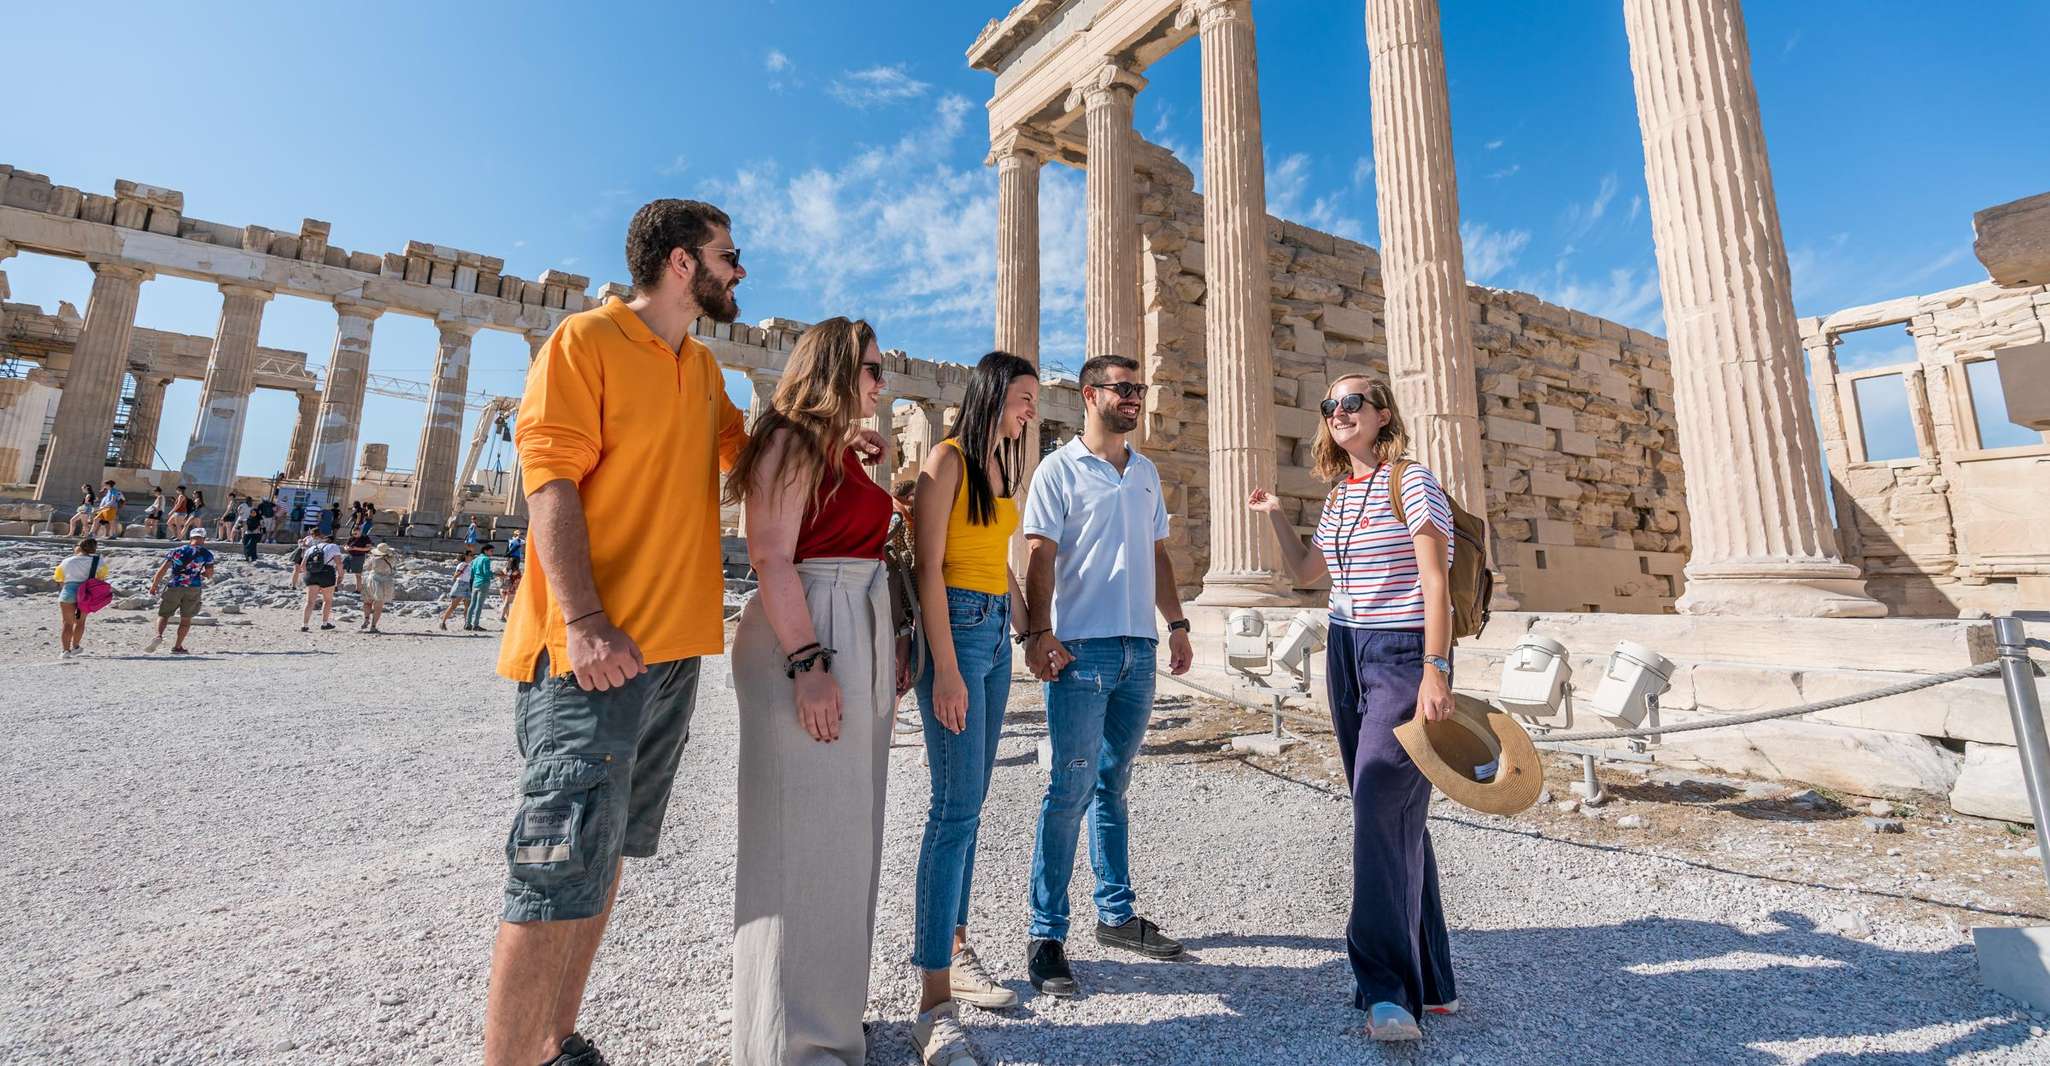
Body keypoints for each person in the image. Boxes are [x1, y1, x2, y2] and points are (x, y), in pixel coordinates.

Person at [484, 197, 766, 1066]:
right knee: (552, 871)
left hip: (670, 654)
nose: (740, 270)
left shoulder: (702, 367)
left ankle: (553, 1042)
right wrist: (584, 621)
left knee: (600, 858)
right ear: (683, 263)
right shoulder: (585, 341)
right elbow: (549, 483)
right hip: (590, 655)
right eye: (729, 255)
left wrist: (838, 445)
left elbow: (749, 459)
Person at [1246, 374, 1459, 1042]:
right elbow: (1306, 574)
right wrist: (1275, 514)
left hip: (1401, 652)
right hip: (1344, 649)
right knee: (1393, 813)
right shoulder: (1340, 494)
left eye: (1352, 402)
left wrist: (1436, 669)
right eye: (1329, 406)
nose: (1338, 412)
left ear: (1382, 414)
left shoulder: (1412, 481)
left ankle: (1386, 990)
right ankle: (1434, 979)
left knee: (1377, 803)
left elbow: (1436, 582)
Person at [727, 316, 906, 1066]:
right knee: (802, 838)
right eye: (871, 369)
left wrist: (867, 457)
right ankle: (790, 1044)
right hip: (812, 631)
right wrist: (809, 663)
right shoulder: (788, 441)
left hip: (851, 623)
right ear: (833, 368)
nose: (881, 383)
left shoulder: (834, 450)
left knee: (847, 834)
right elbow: (772, 557)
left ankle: (831, 1023)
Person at [1017, 354, 1196, 999]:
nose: (1135, 398)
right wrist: (1039, 634)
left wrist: (1176, 623)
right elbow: (1040, 555)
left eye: (1139, 388)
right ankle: (1046, 933)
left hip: (1138, 650)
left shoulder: (1145, 472)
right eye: (1124, 389)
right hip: (1081, 650)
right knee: (1068, 789)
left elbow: (1157, 554)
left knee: (1114, 786)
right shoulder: (1057, 470)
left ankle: (1116, 915)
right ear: (1090, 395)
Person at [904, 351, 1039, 1061]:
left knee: (972, 804)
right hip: (955, 631)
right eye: (1023, 397)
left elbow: (999, 565)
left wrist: (1032, 631)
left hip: (993, 631)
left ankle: (956, 950)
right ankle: (932, 1002)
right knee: (952, 809)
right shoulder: (947, 461)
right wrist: (946, 670)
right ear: (992, 394)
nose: (1031, 411)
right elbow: (928, 569)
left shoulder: (999, 467)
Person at [146, 527, 217, 655]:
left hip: (174, 586)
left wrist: (154, 586)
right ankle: (177, 646)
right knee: (186, 619)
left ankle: (158, 636)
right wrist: (203, 574)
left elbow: (162, 569)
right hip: (193, 588)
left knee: (164, 614)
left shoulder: (177, 550)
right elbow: (209, 573)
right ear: (204, 539)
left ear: (190, 538)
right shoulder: (207, 554)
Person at [53, 537, 108, 657]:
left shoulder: (67, 561)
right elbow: (102, 578)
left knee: (67, 623)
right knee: (80, 622)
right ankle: (75, 647)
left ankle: (65, 651)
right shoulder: (98, 561)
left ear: (79, 547)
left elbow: (59, 578)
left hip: (68, 593)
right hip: (85, 595)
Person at [295, 528, 343, 632]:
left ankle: (304, 625)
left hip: (312, 574)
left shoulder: (312, 548)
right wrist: (340, 576)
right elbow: (339, 563)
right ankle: (324, 623)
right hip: (327, 573)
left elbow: (302, 566)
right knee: (327, 600)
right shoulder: (334, 546)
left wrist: (308, 575)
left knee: (310, 602)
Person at [360, 542, 399, 633]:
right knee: (379, 605)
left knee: (367, 601)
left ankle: (366, 619)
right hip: (385, 582)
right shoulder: (392, 559)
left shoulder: (374, 559)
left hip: (372, 580)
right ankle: (373, 626)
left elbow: (366, 567)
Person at [438, 548, 475, 632]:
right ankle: (443, 622)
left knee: (467, 606)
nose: (472, 557)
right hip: (461, 584)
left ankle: (467, 624)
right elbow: (455, 575)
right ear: (466, 556)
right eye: (471, 555)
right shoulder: (462, 564)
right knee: (454, 605)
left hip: (468, 585)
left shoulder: (470, 565)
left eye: (473, 555)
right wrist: (459, 573)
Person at [465, 543, 495, 631]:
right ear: (485, 551)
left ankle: (467, 624)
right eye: (491, 551)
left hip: (475, 583)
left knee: (472, 604)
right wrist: (495, 574)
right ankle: (476, 625)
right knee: (479, 605)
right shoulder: (486, 559)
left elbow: (472, 573)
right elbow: (486, 572)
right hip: (484, 583)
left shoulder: (475, 559)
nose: (492, 553)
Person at [499, 533, 524, 622]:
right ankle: (502, 617)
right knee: (507, 603)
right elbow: (518, 580)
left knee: (505, 603)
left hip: (502, 588)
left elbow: (500, 577)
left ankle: (507, 617)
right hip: (510, 588)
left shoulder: (505, 569)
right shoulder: (516, 571)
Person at [343, 526, 374, 593]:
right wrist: (346, 548)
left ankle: (358, 589)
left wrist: (356, 548)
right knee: (341, 569)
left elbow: (368, 548)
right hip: (350, 555)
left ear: (360, 532)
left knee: (358, 574)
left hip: (359, 557)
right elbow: (346, 545)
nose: (354, 535)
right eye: (353, 534)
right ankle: (336, 586)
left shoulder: (365, 538)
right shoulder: (352, 538)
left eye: (355, 534)